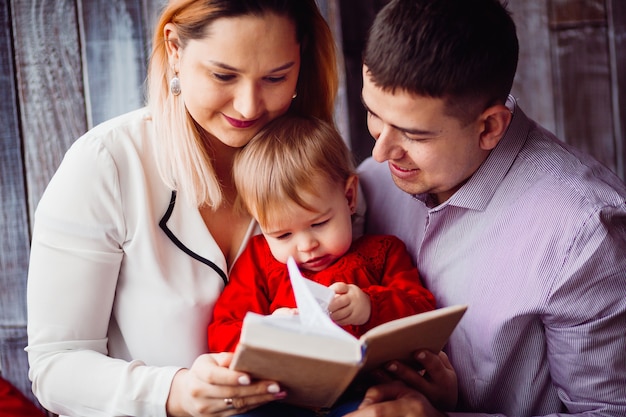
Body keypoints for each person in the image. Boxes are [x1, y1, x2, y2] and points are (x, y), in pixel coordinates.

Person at [25, 1, 340, 416]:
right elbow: (54, 368)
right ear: (174, 49)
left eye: (275, 77)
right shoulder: (107, 165)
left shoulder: (322, 165)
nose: (248, 106)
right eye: (223, 75)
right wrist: (173, 392)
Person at [346, 0, 626, 416]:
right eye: (373, 114)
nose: (381, 150)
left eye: (413, 134)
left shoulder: (583, 232)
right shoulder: (370, 184)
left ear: (489, 127)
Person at [207, 115, 441, 416]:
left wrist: (371, 306)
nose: (306, 246)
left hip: (363, 395)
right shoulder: (259, 260)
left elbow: (422, 312)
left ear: (349, 197)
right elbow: (222, 331)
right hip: (281, 400)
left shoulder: (383, 252)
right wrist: (269, 330)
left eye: (319, 223)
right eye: (282, 234)